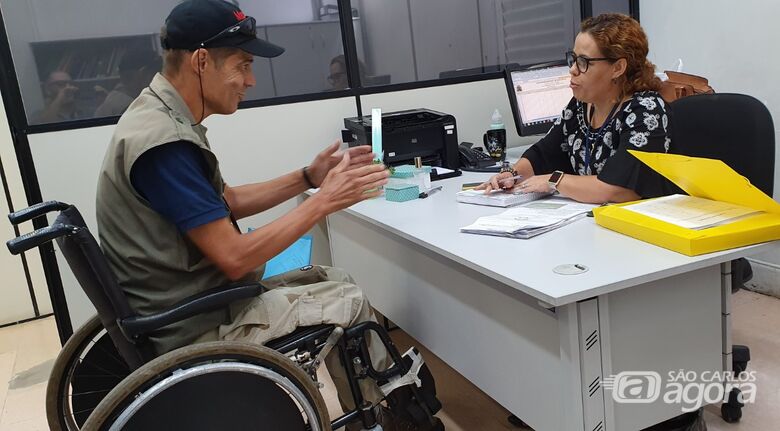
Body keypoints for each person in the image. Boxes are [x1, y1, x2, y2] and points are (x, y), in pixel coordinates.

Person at [95, 1, 422, 428]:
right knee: (350, 298)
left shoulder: (156, 115)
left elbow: (224, 201)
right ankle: (388, 414)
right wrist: (325, 202)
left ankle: (380, 406)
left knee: (336, 278)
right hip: (197, 325)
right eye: (242, 65)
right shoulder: (166, 144)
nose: (250, 81)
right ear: (200, 61)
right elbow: (235, 257)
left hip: (189, 301)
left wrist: (308, 177)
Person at [480, 13, 672, 203]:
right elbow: (543, 154)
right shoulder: (581, 106)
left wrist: (554, 180)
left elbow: (618, 189)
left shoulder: (646, 111)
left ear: (618, 68)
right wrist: (512, 174)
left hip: (639, 225)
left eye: (584, 62)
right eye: (573, 59)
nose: (572, 69)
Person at [94, 49, 162, 117]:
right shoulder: (133, 109)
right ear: (144, 74)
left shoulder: (114, 98)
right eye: (156, 74)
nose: (160, 80)